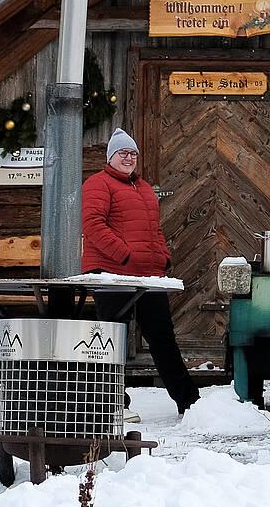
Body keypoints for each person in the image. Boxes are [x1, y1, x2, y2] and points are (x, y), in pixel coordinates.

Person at [81, 127, 201, 414]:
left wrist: (162, 259)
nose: (129, 158)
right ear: (111, 157)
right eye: (123, 153)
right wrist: (124, 256)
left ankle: (189, 403)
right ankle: (111, 404)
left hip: (148, 276)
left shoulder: (144, 188)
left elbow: (154, 229)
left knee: (162, 337)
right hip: (111, 274)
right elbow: (93, 225)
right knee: (110, 340)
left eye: (133, 153)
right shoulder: (98, 184)